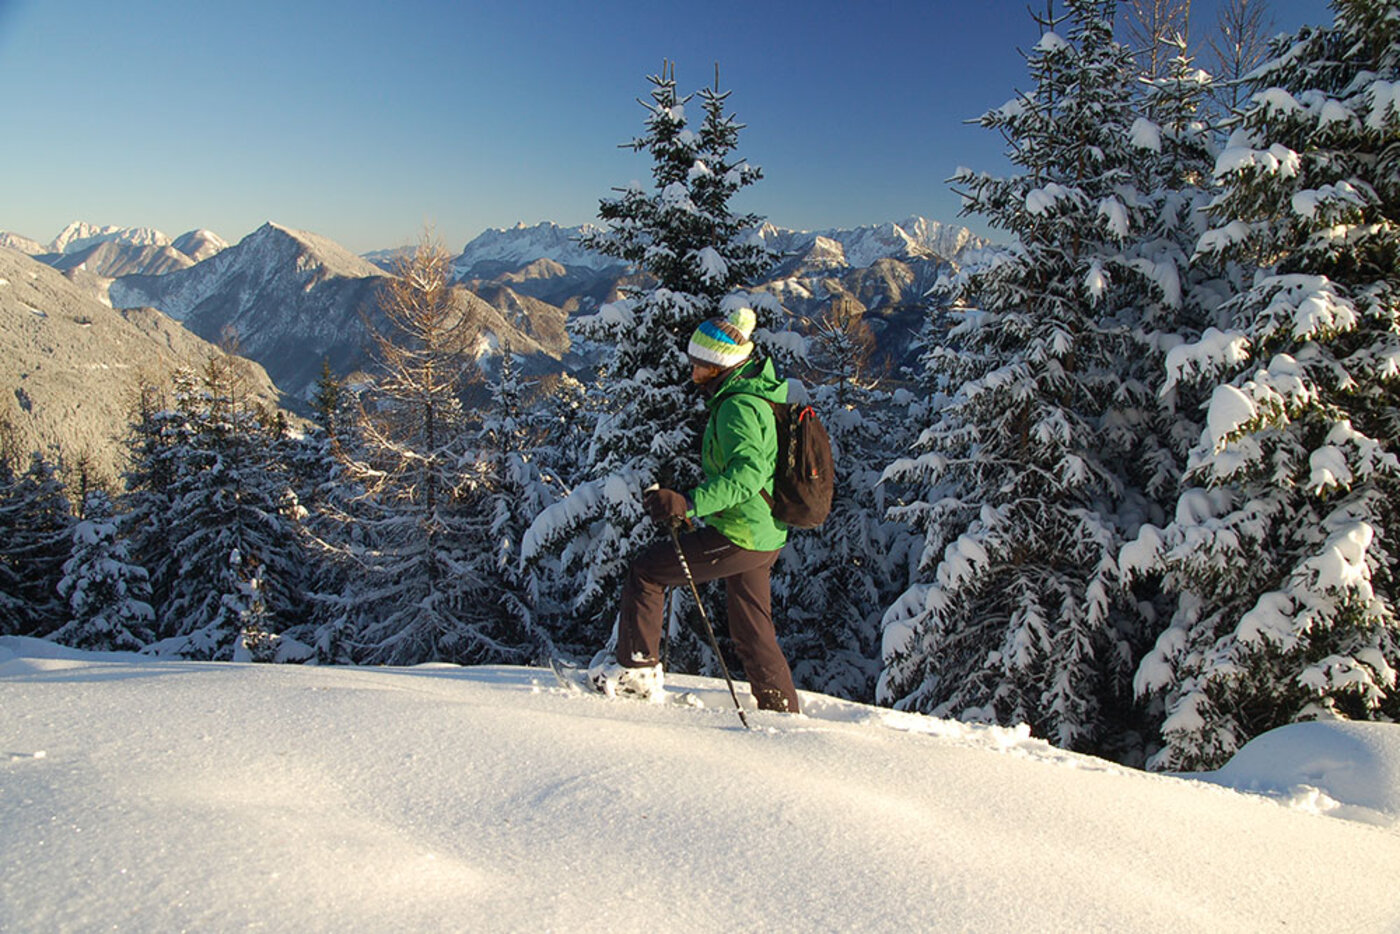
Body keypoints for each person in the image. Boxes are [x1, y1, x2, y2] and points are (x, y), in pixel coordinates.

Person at [588, 305, 801, 713]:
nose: (693, 374)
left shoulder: (737, 407)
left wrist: (689, 502)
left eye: (701, 366)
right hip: (763, 533)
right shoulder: (751, 395)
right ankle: (782, 713)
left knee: (647, 571)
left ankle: (635, 674)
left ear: (721, 366)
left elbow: (747, 476)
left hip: (742, 534)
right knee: (753, 631)